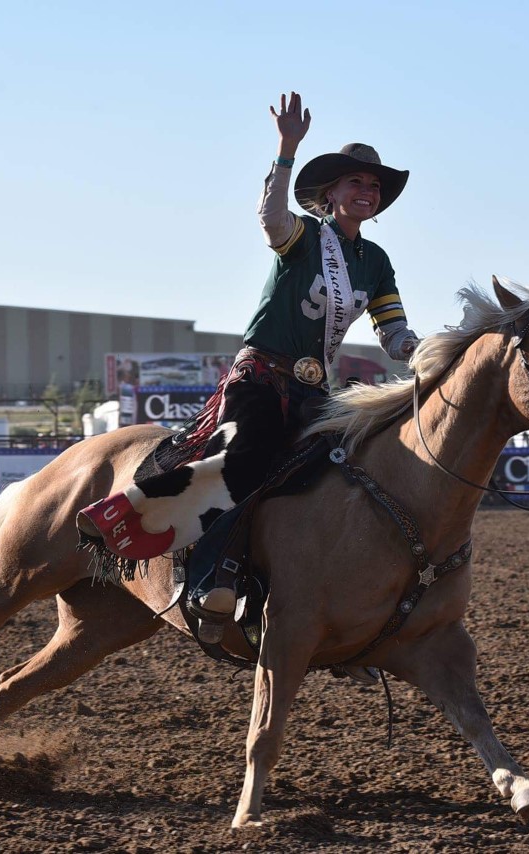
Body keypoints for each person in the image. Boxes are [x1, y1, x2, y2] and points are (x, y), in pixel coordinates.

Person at [78, 91, 420, 619]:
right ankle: (209, 573)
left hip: (315, 392)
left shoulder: (376, 261)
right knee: (246, 461)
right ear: (330, 193)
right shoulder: (306, 235)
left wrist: (426, 350)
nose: (367, 192)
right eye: (356, 182)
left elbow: (393, 333)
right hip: (259, 378)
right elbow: (271, 218)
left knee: (352, 469)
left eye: (374, 186)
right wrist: (286, 150)